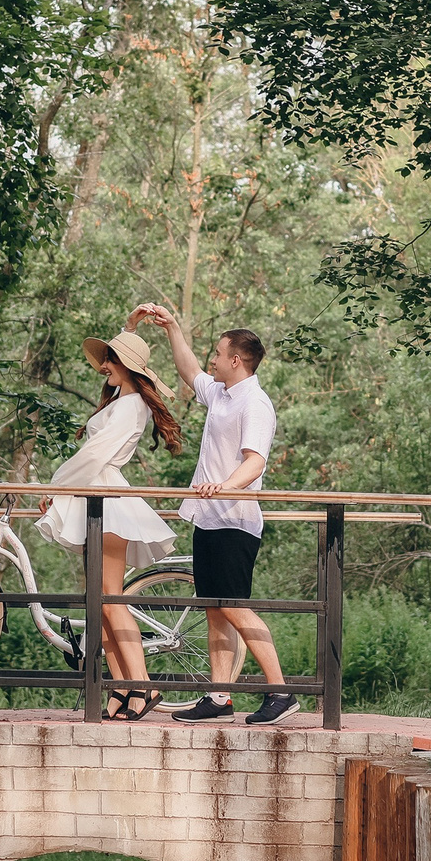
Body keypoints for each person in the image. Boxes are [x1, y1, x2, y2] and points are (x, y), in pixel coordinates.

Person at [127, 303, 297, 725]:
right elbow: (189, 372)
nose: (211, 360)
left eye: (218, 354)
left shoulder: (255, 403)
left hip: (235, 520)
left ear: (236, 360)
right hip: (208, 517)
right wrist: (172, 329)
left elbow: (255, 463)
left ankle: (281, 693)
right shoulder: (222, 394)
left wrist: (225, 486)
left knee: (235, 607)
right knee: (214, 609)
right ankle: (219, 697)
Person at [33, 329, 183, 720]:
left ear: (128, 367)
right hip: (96, 497)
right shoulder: (123, 401)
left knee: (112, 599)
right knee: (100, 603)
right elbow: (94, 450)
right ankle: (122, 687)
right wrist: (130, 325)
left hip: (108, 500)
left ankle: (143, 684)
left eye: (110, 361)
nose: (103, 367)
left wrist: (54, 485)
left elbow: (95, 453)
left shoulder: (131, 406)